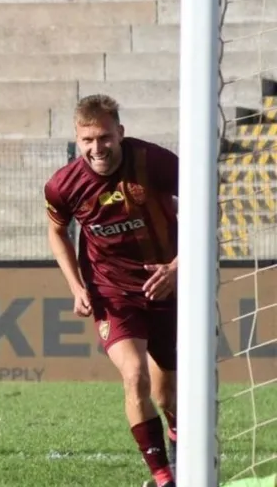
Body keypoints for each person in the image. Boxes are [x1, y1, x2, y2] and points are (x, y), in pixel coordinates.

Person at [43, 94, 179, 487]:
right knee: (134, 375)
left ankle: (177, 437)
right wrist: (76, 284)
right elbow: (56, 231)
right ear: (77, 139)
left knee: (168, 395)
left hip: (167, 287)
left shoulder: (152, 162)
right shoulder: (63, 185)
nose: (96, 148)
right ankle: (163, 476)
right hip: (113, 293)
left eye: (104, 137)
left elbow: (207, 202)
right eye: (87, 140)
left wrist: (178, 267)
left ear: (120, 133)